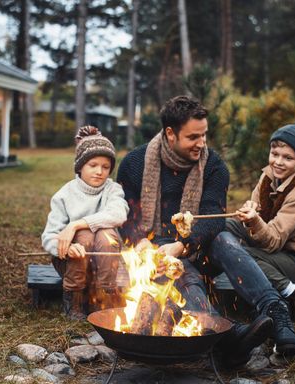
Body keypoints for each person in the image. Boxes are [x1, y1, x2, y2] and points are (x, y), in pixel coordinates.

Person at [117, 95, 272, 367]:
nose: (202, 143)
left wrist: (182, 244)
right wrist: (139, 241)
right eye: (193, 137)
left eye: (204, 135)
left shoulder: (213, 165)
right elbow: (127, 216)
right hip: (155, 250)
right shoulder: (134, 163)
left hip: (201, 245)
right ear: (170, 134)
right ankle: (227, 334)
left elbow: (213, 220)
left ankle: (275, 313)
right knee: (178, 269)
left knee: (226, 239)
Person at [226, 124, 295, 325]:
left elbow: (272, 240)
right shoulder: (268, 177)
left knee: (240, 255)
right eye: (275, 154)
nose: (278, 162)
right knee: (226, 226)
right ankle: (203, 281)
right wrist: (251, 210)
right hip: (281, 247)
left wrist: (254, 221)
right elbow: (257, 209)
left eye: (288, 158)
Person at [41, 126, 129, 320]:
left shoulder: (112, 190)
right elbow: (48, 238)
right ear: (80, 166)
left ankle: (103, 298)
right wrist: (65, 247)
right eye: (93, 165)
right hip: (72, 264)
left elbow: (118, 214)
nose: (99, 172)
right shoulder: (64, 195)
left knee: (106, 234)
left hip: (104, 264)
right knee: (84, 236)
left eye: (106, 167)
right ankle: (74, 302)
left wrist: (76, 224)